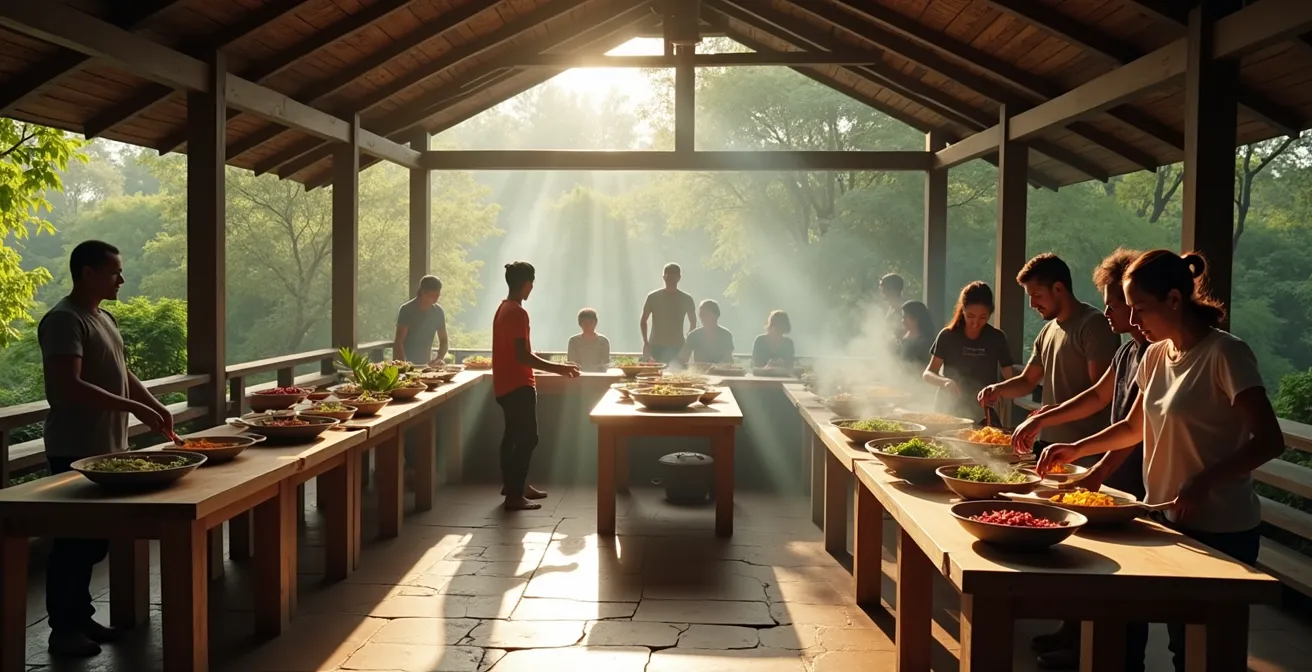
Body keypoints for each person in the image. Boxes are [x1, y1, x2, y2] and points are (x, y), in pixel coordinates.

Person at [1037, 250, 1284, 672]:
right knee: (1176, 644)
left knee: (1202, 654)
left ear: (1174, 299)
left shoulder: (1226, 354)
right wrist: (1078, 450)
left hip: (1223, 529)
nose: (1134, 322)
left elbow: (1269, 440)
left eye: (1140, 309)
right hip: (1168, 520)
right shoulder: (1154, 356)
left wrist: (1203, 481)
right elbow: (1134, 428)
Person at [1010, 249, 1149, 669]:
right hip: (1101, 468)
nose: (1110, 311)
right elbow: (1098, 395)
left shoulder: (1152, 350)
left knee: (1129, 583)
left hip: (1130, 475)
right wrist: (1042, 417)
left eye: (1119, 304)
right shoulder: (1129, 352)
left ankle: (1111, 655)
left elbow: (1128, 425)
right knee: (1089, 565)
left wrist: (1092, 466)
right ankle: (1082, 640)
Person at [38, 240, 173, 657]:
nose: (121, 278)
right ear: (87, 273)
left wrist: (151, 403)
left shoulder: (104, 317)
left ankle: (82, 617)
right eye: (114, 271)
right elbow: (68, 385)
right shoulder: (64, 320)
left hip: (109, 447)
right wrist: (132, 406)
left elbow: (121, 370)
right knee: (73, 540)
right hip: (75, 448)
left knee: (95, 540)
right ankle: (63, 629)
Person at [978, 253, 1120, 445]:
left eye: (1036, 295)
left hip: (1084, 446)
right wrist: (997, 389)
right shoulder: (1048, 331)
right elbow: (1028, 381)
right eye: (1030, 297)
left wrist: (1046, 416)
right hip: (1049, 442)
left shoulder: (1094, 325)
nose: (1032, 304)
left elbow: (1100, 394)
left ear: (1058, 288)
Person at [492, 262, 580, 511]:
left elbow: (517, 351)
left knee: (512, 436)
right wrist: (560, 368)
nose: (532, 288)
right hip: (518, 385)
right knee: (528, 437)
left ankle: (514, 486)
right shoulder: (517, 312)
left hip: (505, 384)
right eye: (532, 283)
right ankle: (514, 495)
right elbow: (523, 356)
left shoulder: (503, 308)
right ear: (526, 284)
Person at [922, 282, 1015, 423]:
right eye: (971, 316)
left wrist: (1000, 391)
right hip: (948, 409)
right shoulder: (948, 335)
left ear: (990, 313)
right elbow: (928, 374)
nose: (976, 323)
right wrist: (945, 382)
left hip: (982, 410)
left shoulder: (997, 337)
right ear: (963, 310)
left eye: (983, 317)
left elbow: (1011, 379)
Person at [640, 263, 696, 364]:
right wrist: (646, 343)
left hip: (677, 347)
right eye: (667, 276)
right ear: (663, 277)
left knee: (677, 376)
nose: (669, 280)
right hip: (656, 346)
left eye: (673, 277)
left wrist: (687, 346)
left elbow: (693, 322)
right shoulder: (653, 297)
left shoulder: (686, 299)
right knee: (655, 376)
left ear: (678, 278)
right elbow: (643, 320)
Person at [392, 275, 448, 365]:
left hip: (426, 363)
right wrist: (403, 365)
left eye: (438, 295)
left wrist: (439, 358)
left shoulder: (438, 311)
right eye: (432, 295)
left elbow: (443, 340)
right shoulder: (406, 309)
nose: (436, 299)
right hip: (406, 362)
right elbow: (399, 342)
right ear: (423, 292)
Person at [677, 300, 734, 366]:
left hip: (720, 372)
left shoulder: (725, 335)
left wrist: (719, 367)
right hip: (700, 373)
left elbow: (728, 358)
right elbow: (682, 358)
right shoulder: (694, 335)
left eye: (705, 314)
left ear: (715, 315)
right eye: (701, 314)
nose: (702, 317)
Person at [566, 308, 611, 372]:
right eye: (585, 323)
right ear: (580, 324)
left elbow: (605, 363)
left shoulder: (603, 341)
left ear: (595, 323)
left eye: (591, 323)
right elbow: (572, 362)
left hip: (599, 376)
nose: (588, 326)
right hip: (579, 376)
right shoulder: (574, 341)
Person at [895, 300, 935, 367]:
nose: (902, 320)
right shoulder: (903, 340)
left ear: (915, 319)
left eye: (904, 317)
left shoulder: (926, 344)